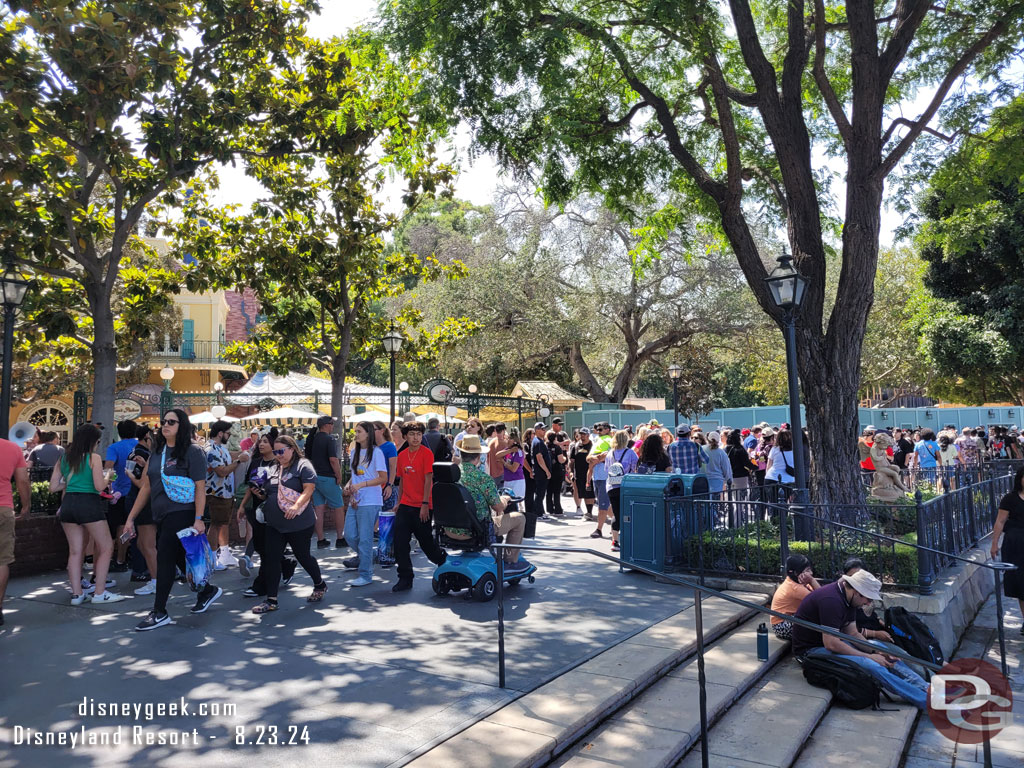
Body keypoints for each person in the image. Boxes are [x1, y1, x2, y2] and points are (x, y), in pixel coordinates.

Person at [124, 409, 221, 630]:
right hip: (161, 514)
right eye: (163, 421)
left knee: (165, 556)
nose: (165, 425)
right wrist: (131, 518)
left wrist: (198, 518)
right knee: (179, 557)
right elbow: (146, 486)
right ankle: (207, 591)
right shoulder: (157, 451)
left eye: (171, 422)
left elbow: (200, 487)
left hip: (183, 512)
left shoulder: (193, 451)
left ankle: (160, 611)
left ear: (182, 425)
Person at [793, 569, 931, 710]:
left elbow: (852, 633)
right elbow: (831, 644)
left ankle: (925, 688)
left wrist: (878, 652)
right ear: (856, 591)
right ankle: (925, 701)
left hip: (829, 643)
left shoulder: (849, 599)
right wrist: (870, 656)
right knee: (871, 665)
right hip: (810, 651)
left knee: (882, 650)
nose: (868, 603)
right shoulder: (831, 601)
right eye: (868, 598)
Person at [249, 435, 327, 613]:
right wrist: (258, 493)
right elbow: (267, 493)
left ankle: (319, 584)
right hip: (275, 524)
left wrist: (296, 506)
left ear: (292, 448)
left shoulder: (303, 465)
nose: (278, 455)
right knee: (271, 559)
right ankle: (271, 600)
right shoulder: (273, 468)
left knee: (303, 556)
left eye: (281, 451)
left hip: (299, 523)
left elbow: (309, 489)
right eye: (275, 452)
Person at [50, 424, 125, 606]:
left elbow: (53, 487)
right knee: (106, 546)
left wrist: (70, 483)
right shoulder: (94, 458)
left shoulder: (65, 458)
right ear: (93, 441)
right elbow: (99, 486)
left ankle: (77, 594)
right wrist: (108, 476)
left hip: (68, 505)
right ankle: (99, 592)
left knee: (75, 552)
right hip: (89, 504)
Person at [451, 434, 529, 570]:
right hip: (478, 528)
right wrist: (506, 498)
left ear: (462, 454)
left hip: (451, 529)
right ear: (478, 457)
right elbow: (497, 506)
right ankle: (510, 561)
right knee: (520, 518)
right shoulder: (483, 478)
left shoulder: (453, 475)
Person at [236, 429, 297, 597]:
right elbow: (249, 486)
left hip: (274, 511)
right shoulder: (255, 462)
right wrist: (242, 506)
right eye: (260, 441)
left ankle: (261, 585)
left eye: (265, 442)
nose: (261, 444)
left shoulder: (279, 464)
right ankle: (286, 564)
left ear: (274, 445)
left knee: (268, 550)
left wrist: (264, 495)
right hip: (256, 511)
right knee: (263, 547)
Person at [391, 421, 448, 592]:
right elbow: (401, 481)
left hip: (422, 505)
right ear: (405, 436)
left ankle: (444, 561)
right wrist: (398, 502)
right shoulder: (401, 455)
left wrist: (425, 504)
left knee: (426, 544)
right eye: (412, 434)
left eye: (418, 435)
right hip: (405, 504)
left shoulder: (427, 453)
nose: (415, 438)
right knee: (400, 542)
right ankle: (405, 578)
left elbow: (428, 480)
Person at [342, 422, 388, 587]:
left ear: (368, 434)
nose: (356, 433)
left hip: (370, 501)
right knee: (349, 535)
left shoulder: (377, 453)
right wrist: (349, 485)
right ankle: (369, 555)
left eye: (359, 431)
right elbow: (355, 476)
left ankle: (366, 574)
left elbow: (383, 478)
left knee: (365, 539)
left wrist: (361, 485)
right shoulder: (354, 451)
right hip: (356, 500)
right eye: (356, 431)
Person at [205, 420, 247, 570]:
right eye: (228, 433)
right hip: (216, 493)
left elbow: (228, 456)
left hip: (225, 493)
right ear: (221, 433)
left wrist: (242, 454)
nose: (229, 436)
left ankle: (224, 553)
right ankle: (212, 558)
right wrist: (238, 461)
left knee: (222, 523)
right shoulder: (211, 449)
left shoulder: (219, 448)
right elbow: (222, 471)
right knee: (216, 525)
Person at [0, 437, 31, 625]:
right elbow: (23, 481)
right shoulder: (11, 448)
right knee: (2, 560)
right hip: (2, 508)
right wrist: (25, 506)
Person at [126, 427, 159, 596]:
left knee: (147, 544)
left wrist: (131, 476)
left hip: (147, 505)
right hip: (150, 504)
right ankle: (157, 578)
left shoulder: (154, 457)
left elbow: (143, 485)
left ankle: (156, 580)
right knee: (142, 544)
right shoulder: (158, 457)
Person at [991, 466, 1024, 635]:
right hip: (1015, 545)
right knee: (1021, 584)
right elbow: (1000, 522)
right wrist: (994, 543)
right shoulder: (1010, 499)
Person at [305, 415, 346, 550]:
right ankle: (340, 538)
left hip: (315, 478)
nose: (332, 426)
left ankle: (321, 539)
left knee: (319, 508)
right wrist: (339, 475)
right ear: (327, 425)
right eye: (331, 423)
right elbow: (333, 460)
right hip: (328, 477)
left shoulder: (314, 439)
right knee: (338, 507)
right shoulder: (329, 439)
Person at [103, 420, 138, 573]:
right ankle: (137, 558)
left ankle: (120, 560)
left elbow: (108, 468)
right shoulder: (141, 446)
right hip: (140, 491)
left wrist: (109, 486)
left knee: (121, 527)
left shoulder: (114, 448)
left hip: (120, 493)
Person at [770, 555, 820, 639]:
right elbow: (822, 600)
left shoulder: (796, 582)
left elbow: (820, 594)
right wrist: (812, 580)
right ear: (796, 573)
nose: (811, 573)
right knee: (816, 616)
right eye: (807, 570)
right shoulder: (796, 588)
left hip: (788, 619)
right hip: (781, 625)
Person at [605, 430, 638, 552]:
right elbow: (635, 469)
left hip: (611, 486)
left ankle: (615, 541)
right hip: (626, 486)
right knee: (628, 513)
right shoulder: (630, 453)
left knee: (616, 513)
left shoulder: (610, 454)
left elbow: (606, 470)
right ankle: (628, 539)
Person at [586, 422, 613, 538]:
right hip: (596, 477)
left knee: (602, 506)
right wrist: (594, 458)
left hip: (605, 477)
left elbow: (610, 455)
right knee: (605, 505)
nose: (597, 430)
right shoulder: (597, 441)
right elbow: (588, 458)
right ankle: (618, 523)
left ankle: (599, 529)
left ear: (607, 429)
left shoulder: (611, 440)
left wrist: (596, 459)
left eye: (600, 429)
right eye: (596, 429)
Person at [569, 427, 596, 519]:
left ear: (588, 435)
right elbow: (571, 460)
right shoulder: (576, 446)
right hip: (579, 473)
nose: (582, 436)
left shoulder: (593, 445)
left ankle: (589, 512)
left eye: (584, 434)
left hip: (590, 472)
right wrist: (571, 472)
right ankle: (582, 509)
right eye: (581, 434)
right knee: (582, 491)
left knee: (590, 492)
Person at [764, 428, 796, 503]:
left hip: (771, 477)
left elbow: (769, 465)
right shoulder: (795, 450)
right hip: (788, 480)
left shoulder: (774, 449)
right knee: (784, 505)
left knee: (773, 504)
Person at [725, 429, 757, 500]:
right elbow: (746, 463)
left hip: (730, 475)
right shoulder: (740, 449)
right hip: (740, 476)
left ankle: (736, 510)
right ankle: (739, 511)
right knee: (740, 499)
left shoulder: (726, 449)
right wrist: (755, 467)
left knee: (734, 498)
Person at [495, 428, 526, 499]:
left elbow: (513, 469)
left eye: (509, 439)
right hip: (507, 480)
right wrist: (510, 451)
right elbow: (497, 455)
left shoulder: (519, 452)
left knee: (515, 502)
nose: (507, 440)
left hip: (516, 481)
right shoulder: (508, 450)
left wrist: (503, 462)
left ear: (515, 441)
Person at [530, 422, 552, 520]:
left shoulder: (538, 441)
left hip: (540, 472)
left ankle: (540, 511)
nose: (544, 431)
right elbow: (539, 458)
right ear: (537, 430)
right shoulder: (537, 442)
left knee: (541, 493)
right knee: (540, 493)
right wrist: (547, 471)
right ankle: (538, 513)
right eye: (542, 429)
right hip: (541, 472)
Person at [703, 431, 733, 497]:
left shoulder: (702, 449)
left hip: (703, 479)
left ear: (708, 439)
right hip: (717, 480)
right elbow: (726, 467)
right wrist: (729, 479)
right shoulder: (721, 452)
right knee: (716, 502)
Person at [545, 430, 567, 516]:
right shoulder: (557, 448)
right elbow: (561, 460)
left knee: (549, 491)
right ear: (555, 438)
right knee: (557, 491)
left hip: (548, 471)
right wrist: (565, 458)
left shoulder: (545, 447)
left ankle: (549, 508)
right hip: (557, 471)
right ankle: (557, 509)